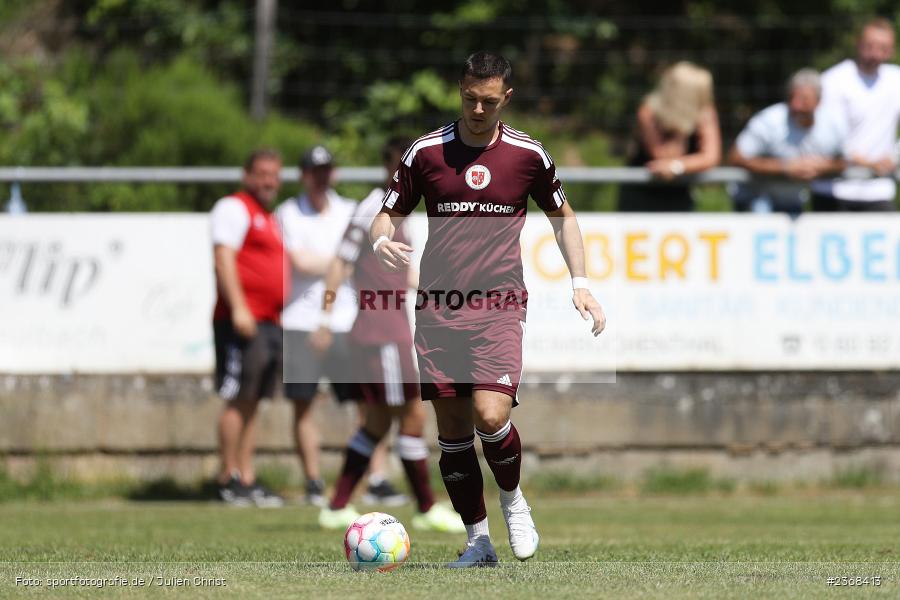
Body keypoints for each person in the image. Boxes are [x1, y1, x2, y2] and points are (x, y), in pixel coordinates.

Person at [370, 52, 606, 567]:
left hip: (499, 304)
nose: (478, 109)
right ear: (460, 91)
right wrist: (381, 239)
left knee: (490, 413)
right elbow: (385, 215)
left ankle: (514, 500)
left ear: (507, 98)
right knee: (452, 434)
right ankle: (478, 541)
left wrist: (581, 283)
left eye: (489, 101)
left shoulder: (527, 155)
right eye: (470, 99)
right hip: (437, 309)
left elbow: (562, 217)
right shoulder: (426, 152)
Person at [312, 137, 465, 534]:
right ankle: (427, 507)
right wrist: (325, 317)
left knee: (377, 422)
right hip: (381, 332)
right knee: (412, 413)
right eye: (401, 166)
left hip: (388, 328)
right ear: (388, 167)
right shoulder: (373, 208)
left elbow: (400, 274)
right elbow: (338, 265)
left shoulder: (400, 212)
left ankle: (337, 504)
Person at [276, 145, 361, 507]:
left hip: (347, 320)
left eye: (326, 170)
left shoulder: (349, 210)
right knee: (303, 405)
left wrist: (334, 263)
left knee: (367, 406)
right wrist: (340, 262)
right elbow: (299, 262)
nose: (321, 177)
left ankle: (369, 478)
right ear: (304, 175)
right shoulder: (288, 213)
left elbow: (355, 261)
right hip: (300, 322)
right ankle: (313, 481)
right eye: (314, 171)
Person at [211, 149, 286, 508]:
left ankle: (246, 476)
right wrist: (239, 307)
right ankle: (227, 478)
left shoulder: (268, 217)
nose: (269, 181)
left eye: (274, 174)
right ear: (247, 175)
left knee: (253, 401)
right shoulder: (234, 208)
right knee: (238, 399)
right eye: (262, 174)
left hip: (268, 323)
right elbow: (223, 258)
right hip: (242, 321)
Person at [729, 69, 846, 218]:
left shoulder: (833, 124)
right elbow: (736, 157)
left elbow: (844, 161)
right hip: (756, 199)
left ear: (818, 101)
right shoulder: (768, 121)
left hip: (793, 201)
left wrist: (822, 166)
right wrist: (784, 167)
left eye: (804, 99)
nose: (796, 105)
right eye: (792, 98)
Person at [813, 18, 900, 211]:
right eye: (870, 46)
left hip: (878, 190)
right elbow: (825, 136)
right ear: (858, 43)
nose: (875, 54)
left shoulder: (896, 80)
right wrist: (865, 162)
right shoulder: (833, 80)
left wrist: (895, 157)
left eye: (883, 48)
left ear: (892, 50)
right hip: (833, 190)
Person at [617, 61, 722, 211]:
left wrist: (677, 166)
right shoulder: (648, 112)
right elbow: (664, 156)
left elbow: (711, 158)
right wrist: (681, 131)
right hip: (642, 193)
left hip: (679, 195)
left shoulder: (705, 112)